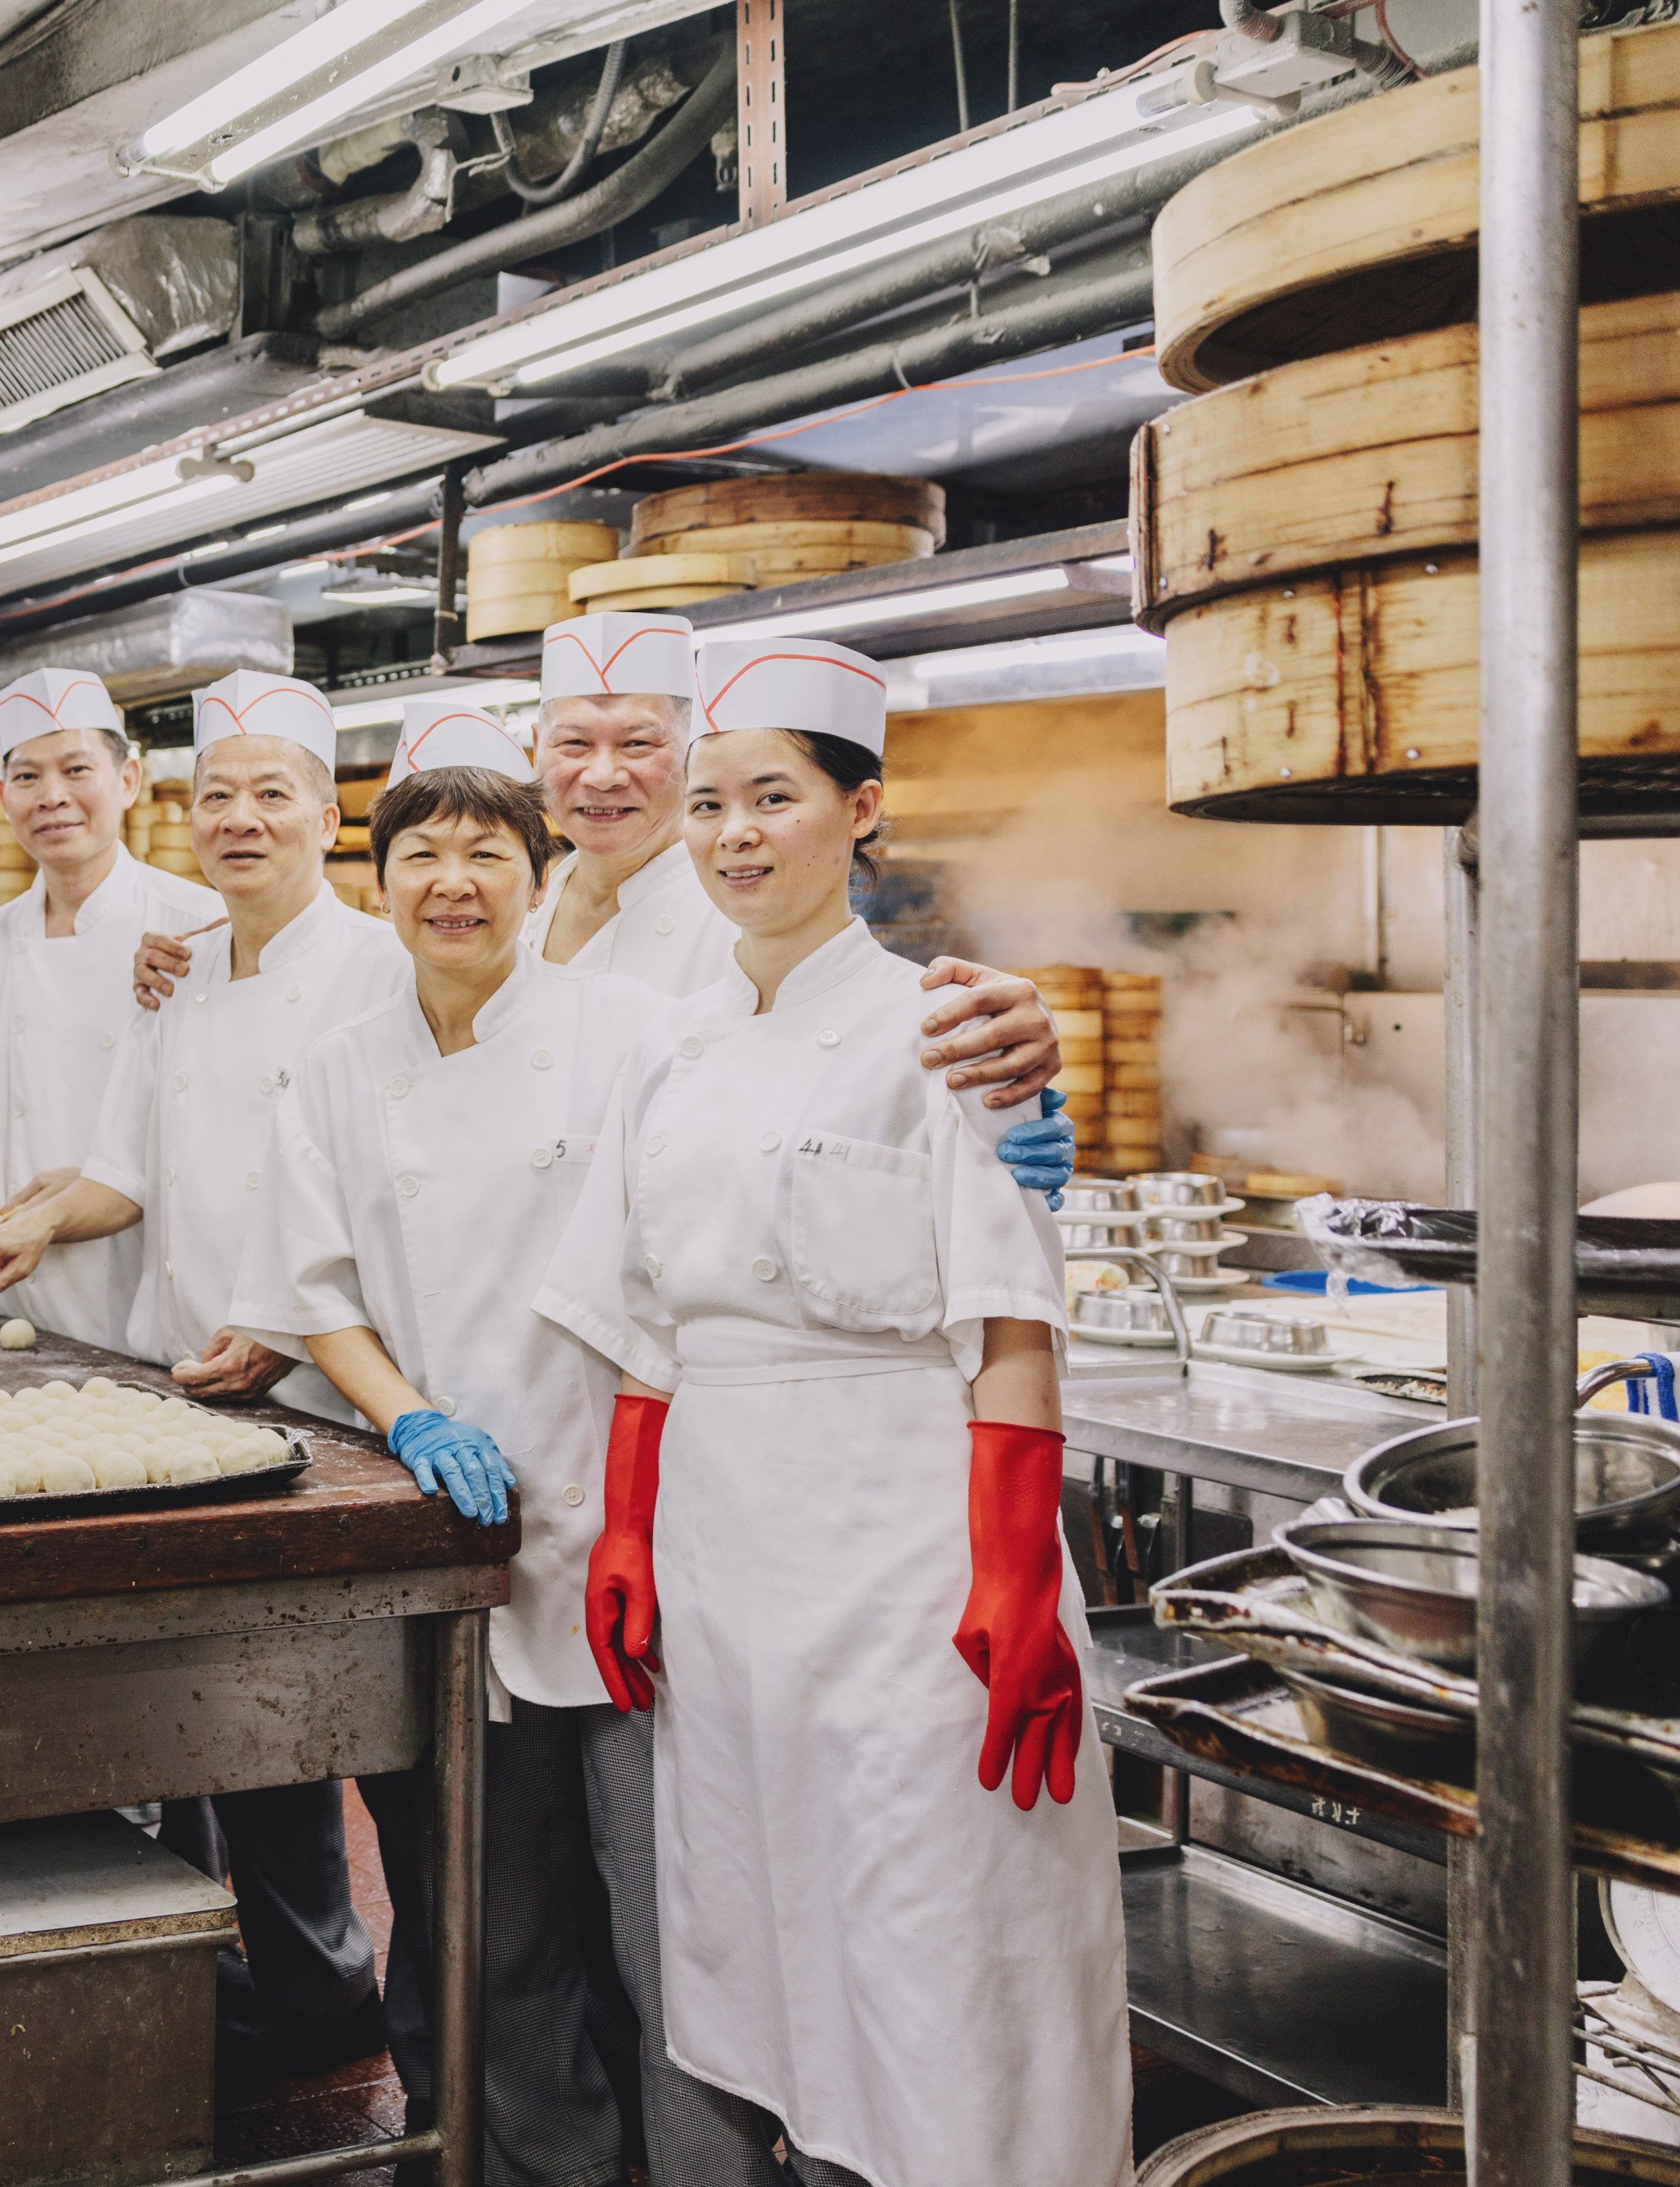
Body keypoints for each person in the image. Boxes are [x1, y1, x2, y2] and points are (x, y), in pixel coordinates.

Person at [536, 638, 1128, 2187]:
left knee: (936, 1939)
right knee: (761, 1932)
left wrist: (1010, 1577)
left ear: (861, 810)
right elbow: (648, 1327)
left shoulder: (947, 1028)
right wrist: (623, 1531)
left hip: (903, 1572)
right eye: (713, 803)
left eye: (774, 798)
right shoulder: (669, 1056)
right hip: (728, 1571)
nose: (734, 833)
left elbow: (1007, 1322)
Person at [227, 721, 781, 2187]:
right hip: (445, 1525)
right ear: (382, 879)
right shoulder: (339, 1067)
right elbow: (316, 1289)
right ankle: (520, 2161)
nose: (451, 879)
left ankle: (695, 2166)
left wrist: (985, 1104)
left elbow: (769, 1117)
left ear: (537, 879)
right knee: (481, 1903)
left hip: (625, 1523)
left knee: (669, 1906)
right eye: (419, 852)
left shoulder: (627, 1033)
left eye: (485, 851)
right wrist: (403, 1410)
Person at [0, 671, 408, 2081]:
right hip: (191, 1390)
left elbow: (381, 1197)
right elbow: (120, 1174)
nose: (241, 820)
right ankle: (256, 1975)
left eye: (273, 794)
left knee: (311, 1714)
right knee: (220, 1705)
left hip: (328, 1400)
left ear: (327, 814)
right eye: (221, 797)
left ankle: (331, 1997)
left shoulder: (376, 965)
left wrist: (282, 1323)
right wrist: (9, 1233)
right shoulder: (181, 967)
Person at [132, 613, 1076, 1154]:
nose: (600, 773)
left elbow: (840, 1035)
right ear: (537, 755)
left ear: (689, 753)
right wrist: (204, 951)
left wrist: (999, 1061)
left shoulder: (738, 899)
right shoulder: (516, 900)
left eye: (639, 744)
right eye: (572, 744)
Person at [0, 667, 218, 1342]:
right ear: (4, 796)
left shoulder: (198, 926)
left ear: (128, 781)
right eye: (29, 778)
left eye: (76, 770)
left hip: (152, 1313)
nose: (53, 797)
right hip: (7, 1309)